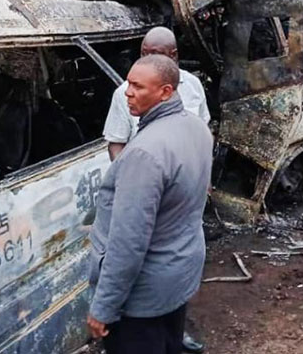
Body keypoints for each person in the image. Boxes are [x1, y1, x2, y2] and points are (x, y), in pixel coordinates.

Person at [87, 54, 213, 354]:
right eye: (128, 84)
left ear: (166, 92)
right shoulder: (197, 128)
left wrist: (103, 307)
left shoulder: (144, 154)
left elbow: (128, 243)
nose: (128, 92)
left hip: (142, 296)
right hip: (178, 274)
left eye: (138, 87)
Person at [104, 26, 210, 160]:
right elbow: (116, 145)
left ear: (173, 55)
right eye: (143, 53)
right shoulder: (124, 93)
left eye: (155, 54)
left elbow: (202, 132)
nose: (148, 60)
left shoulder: (193, 85)